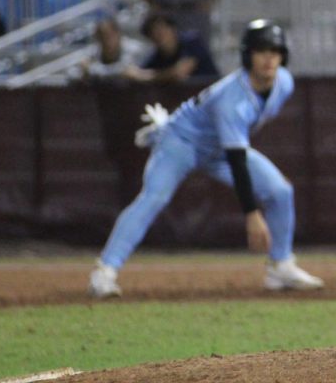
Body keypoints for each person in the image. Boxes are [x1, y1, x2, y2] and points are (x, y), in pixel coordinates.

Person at [87, 19, 323, 298]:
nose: (269, 58)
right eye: (261, 51)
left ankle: (281, 266)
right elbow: (237, 159)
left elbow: (236, 147)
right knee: (154, 198)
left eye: (275, 51)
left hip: (218, 147)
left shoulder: (284, 82)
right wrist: (251, 214)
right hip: (181, 142)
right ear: (249, 55)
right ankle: (104, 272)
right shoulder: (232, 99)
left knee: (280, 191)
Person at [138, 12, 219, 82]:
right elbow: (133, 72)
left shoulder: (192, 41)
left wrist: (148, 76)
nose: (158, 35)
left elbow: (180, 72)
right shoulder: (157, 55)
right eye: (153, 33)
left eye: (161, 30)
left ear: (173, 28)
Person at [77, 16, 145, 81]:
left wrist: (91, 69)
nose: (105, 41)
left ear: (118, 34)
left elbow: (123, 72)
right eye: (101, 37)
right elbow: (83, 65)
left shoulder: (135, 49)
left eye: (108, 36)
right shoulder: (94, 52)